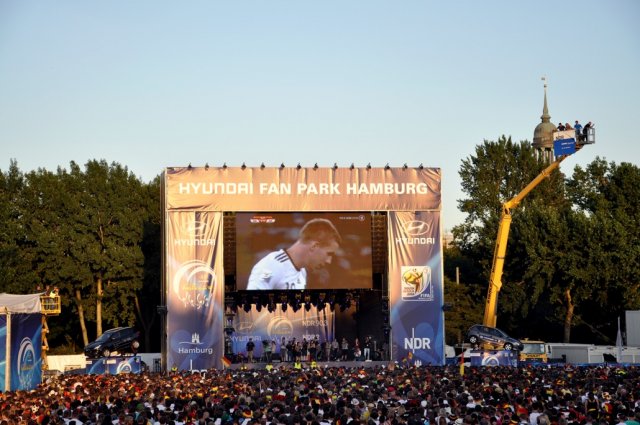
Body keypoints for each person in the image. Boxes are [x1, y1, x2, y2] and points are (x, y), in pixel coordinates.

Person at [246, 218, 342, 290]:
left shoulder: (302, 272)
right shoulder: (270, 266)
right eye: (329, 254)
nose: (329, 261)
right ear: (314, 246)